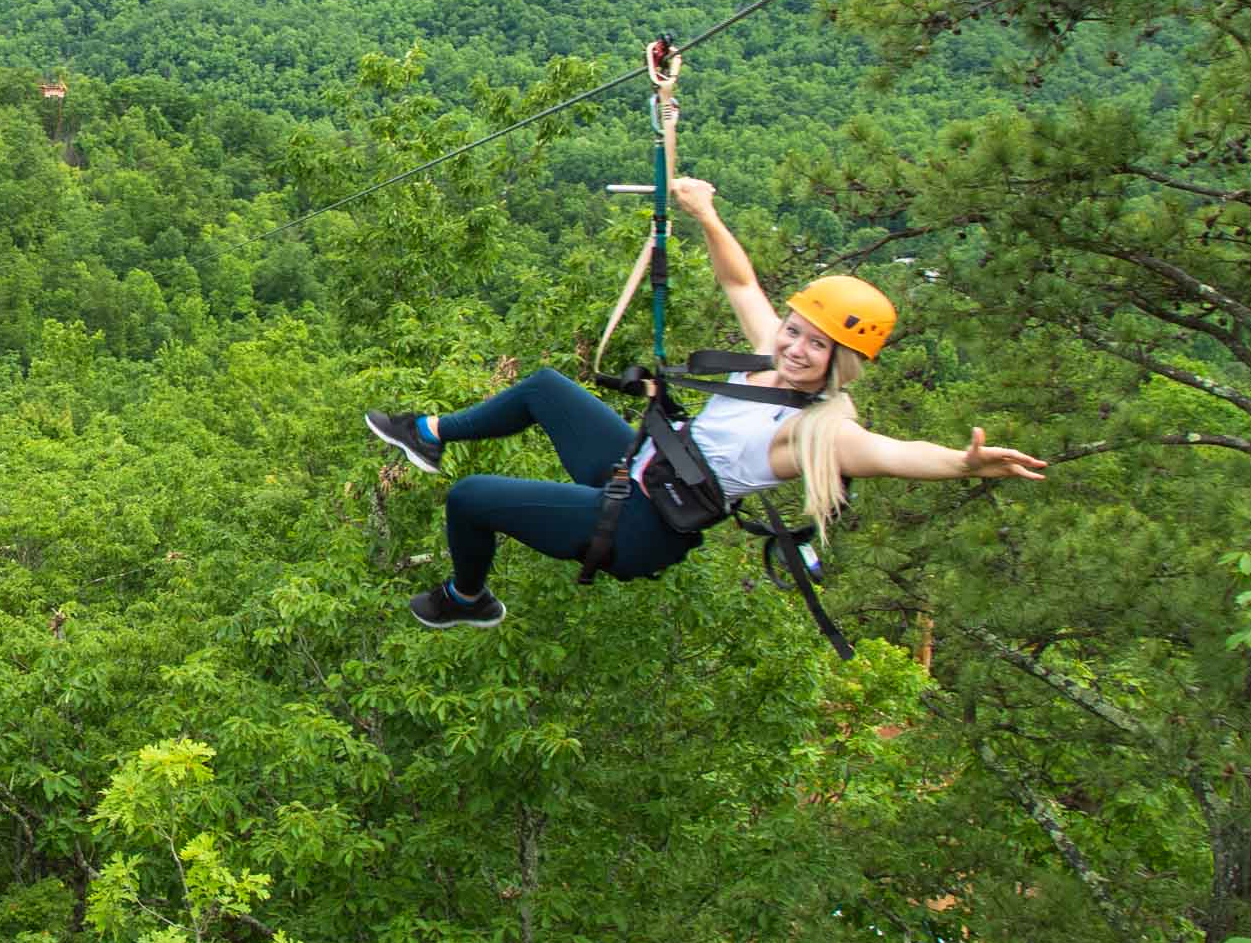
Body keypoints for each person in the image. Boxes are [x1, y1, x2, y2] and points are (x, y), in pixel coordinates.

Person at [365, 176, 1044, 630]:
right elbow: (742, 281)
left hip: (642, 524)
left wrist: (962, 462)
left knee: (472, 499)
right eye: (797, 329)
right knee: (544, 386)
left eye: (817, 345)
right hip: (640, 466)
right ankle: (429, 432)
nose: (796, 345)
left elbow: (896, 455)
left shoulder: (818, 430)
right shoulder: (772, 359)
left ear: (842, 364)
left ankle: (467, 597)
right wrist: (704, 212)